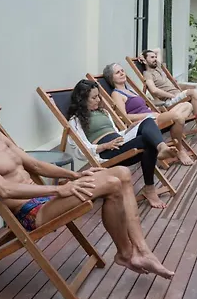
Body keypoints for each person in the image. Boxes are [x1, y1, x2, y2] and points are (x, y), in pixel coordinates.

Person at [0, 85, 174, 278]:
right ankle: (126, 254)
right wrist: (59, 191)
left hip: (47, 198)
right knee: (112, 184)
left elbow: (36, 166)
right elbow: (3, 190)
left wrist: (74, 176)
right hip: (32, 212)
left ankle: (143, 251)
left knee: (122, 173)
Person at [65, 79, 178, 209]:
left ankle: (162, 147)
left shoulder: (103, 112)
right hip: (106, 153)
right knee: (146, 141)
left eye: (98, 96)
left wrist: (129, 130)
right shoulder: (75, 120)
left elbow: (116, 133)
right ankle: (150, 188)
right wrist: (105, 146)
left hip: (120, 143)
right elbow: (81, 150)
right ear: (82, 99)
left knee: (148, 121)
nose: (98, 100)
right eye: (94, 98)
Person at [103, 63, 195, 166]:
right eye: (117, 72)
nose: (121, 73)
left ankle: (177, 125)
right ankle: (180, 150)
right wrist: (148, 116)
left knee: (188, 105)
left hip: (155, 115)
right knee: (178, 117)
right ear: (111, 78)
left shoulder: (130, 90)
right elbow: (124, 117)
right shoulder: (116, 94)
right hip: (148, 122)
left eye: (122, 71)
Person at [139, 48, 197, 142]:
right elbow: (154, 90)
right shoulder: (147, 74)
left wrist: (142, 54)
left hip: (180, 94)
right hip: (171, 100)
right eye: (152, 57)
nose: (155, 59)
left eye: (155, 57)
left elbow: (158, 49)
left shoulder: (158, 67)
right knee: (193, 92)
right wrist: (171, 95)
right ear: (145, 61)